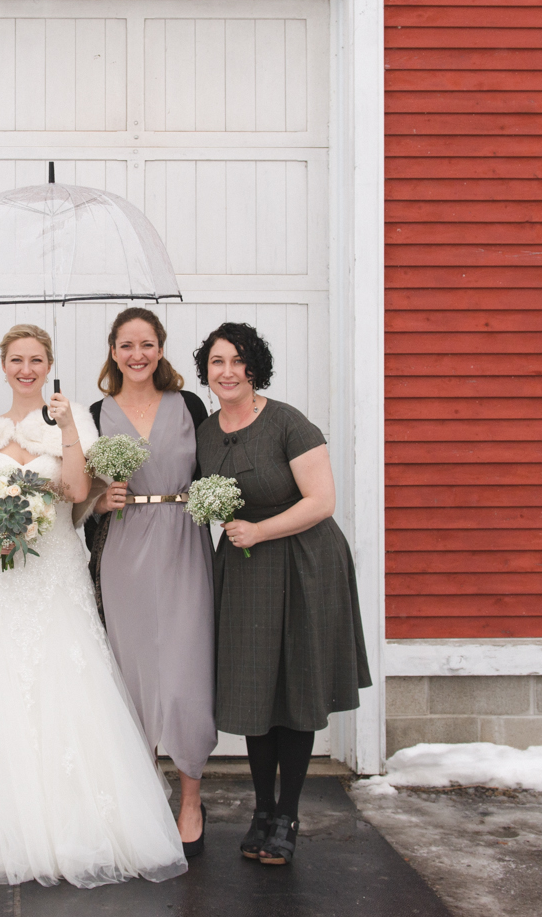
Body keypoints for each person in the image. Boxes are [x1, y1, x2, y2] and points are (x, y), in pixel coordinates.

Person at [0, 325, 187, 888]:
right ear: (4, 366)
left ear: (49, 365)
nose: (27, 369)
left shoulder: (75, 418)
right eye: (17, 360)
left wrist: (69, 425)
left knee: (66, 681)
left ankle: (74, 823)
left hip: (55, 567)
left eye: (37, 360)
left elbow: (76, 491)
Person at [193, 322, 372, 866]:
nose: (226, 372)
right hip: (246, 568)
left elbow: (323, 500)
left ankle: (287, 817)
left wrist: (261, 530)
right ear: (206, 370)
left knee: (294, 689)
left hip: (302, 561)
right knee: (255, 691)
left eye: (237, 361)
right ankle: (261, 811)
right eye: (217, 361)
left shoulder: (287, 422)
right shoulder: (204, 430)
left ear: (254, 369)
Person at [87, 307, 216, 858]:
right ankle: (141, 794)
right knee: (133, 670)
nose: (136, 355)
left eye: (146, 344)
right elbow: (76, 488)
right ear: (112, 352)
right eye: (125, 345)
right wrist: (98, 501)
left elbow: (215, 469)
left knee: (187, 672)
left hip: (185, 542)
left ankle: (190, 796)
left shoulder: (189, 405)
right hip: (124, 547)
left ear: (160, 349)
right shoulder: (94, 413)